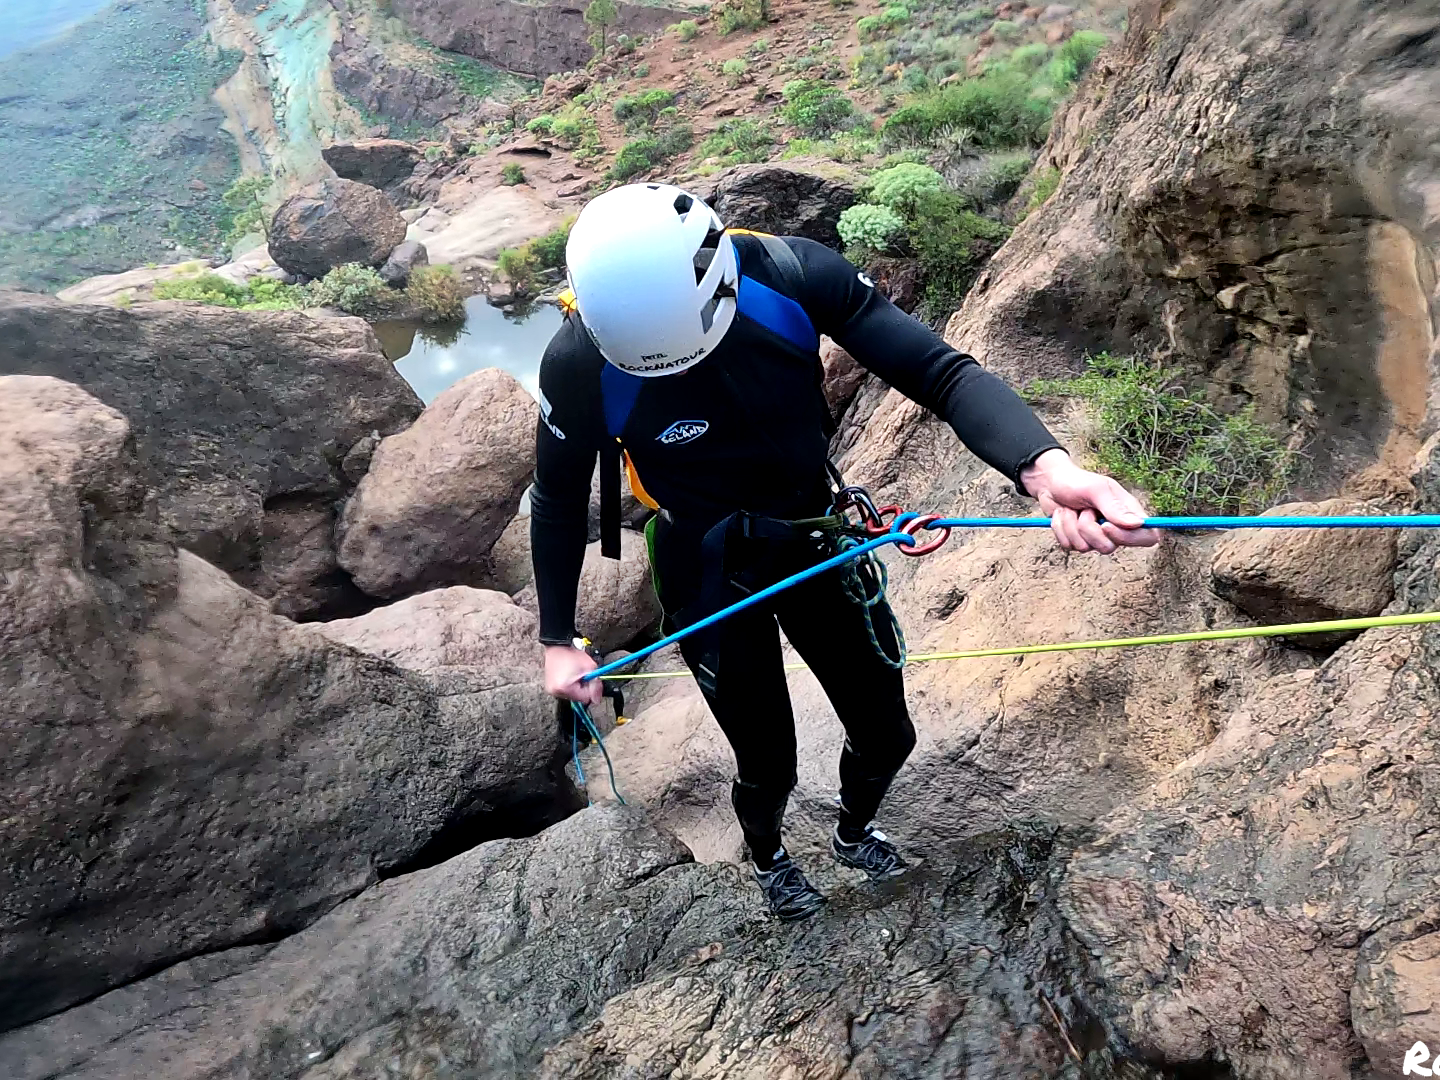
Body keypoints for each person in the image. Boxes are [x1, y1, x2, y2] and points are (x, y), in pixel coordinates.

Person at [529, 182, 1159, 921]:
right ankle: (769, 859)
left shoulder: (789, 275)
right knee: (767, 763)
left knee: (887, 731)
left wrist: (1043, 467)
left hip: (813, 535)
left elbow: (940, 373)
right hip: (704, 563)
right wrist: (556, 637)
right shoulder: (578, 361)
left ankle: (854, 832)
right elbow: (559, 498)